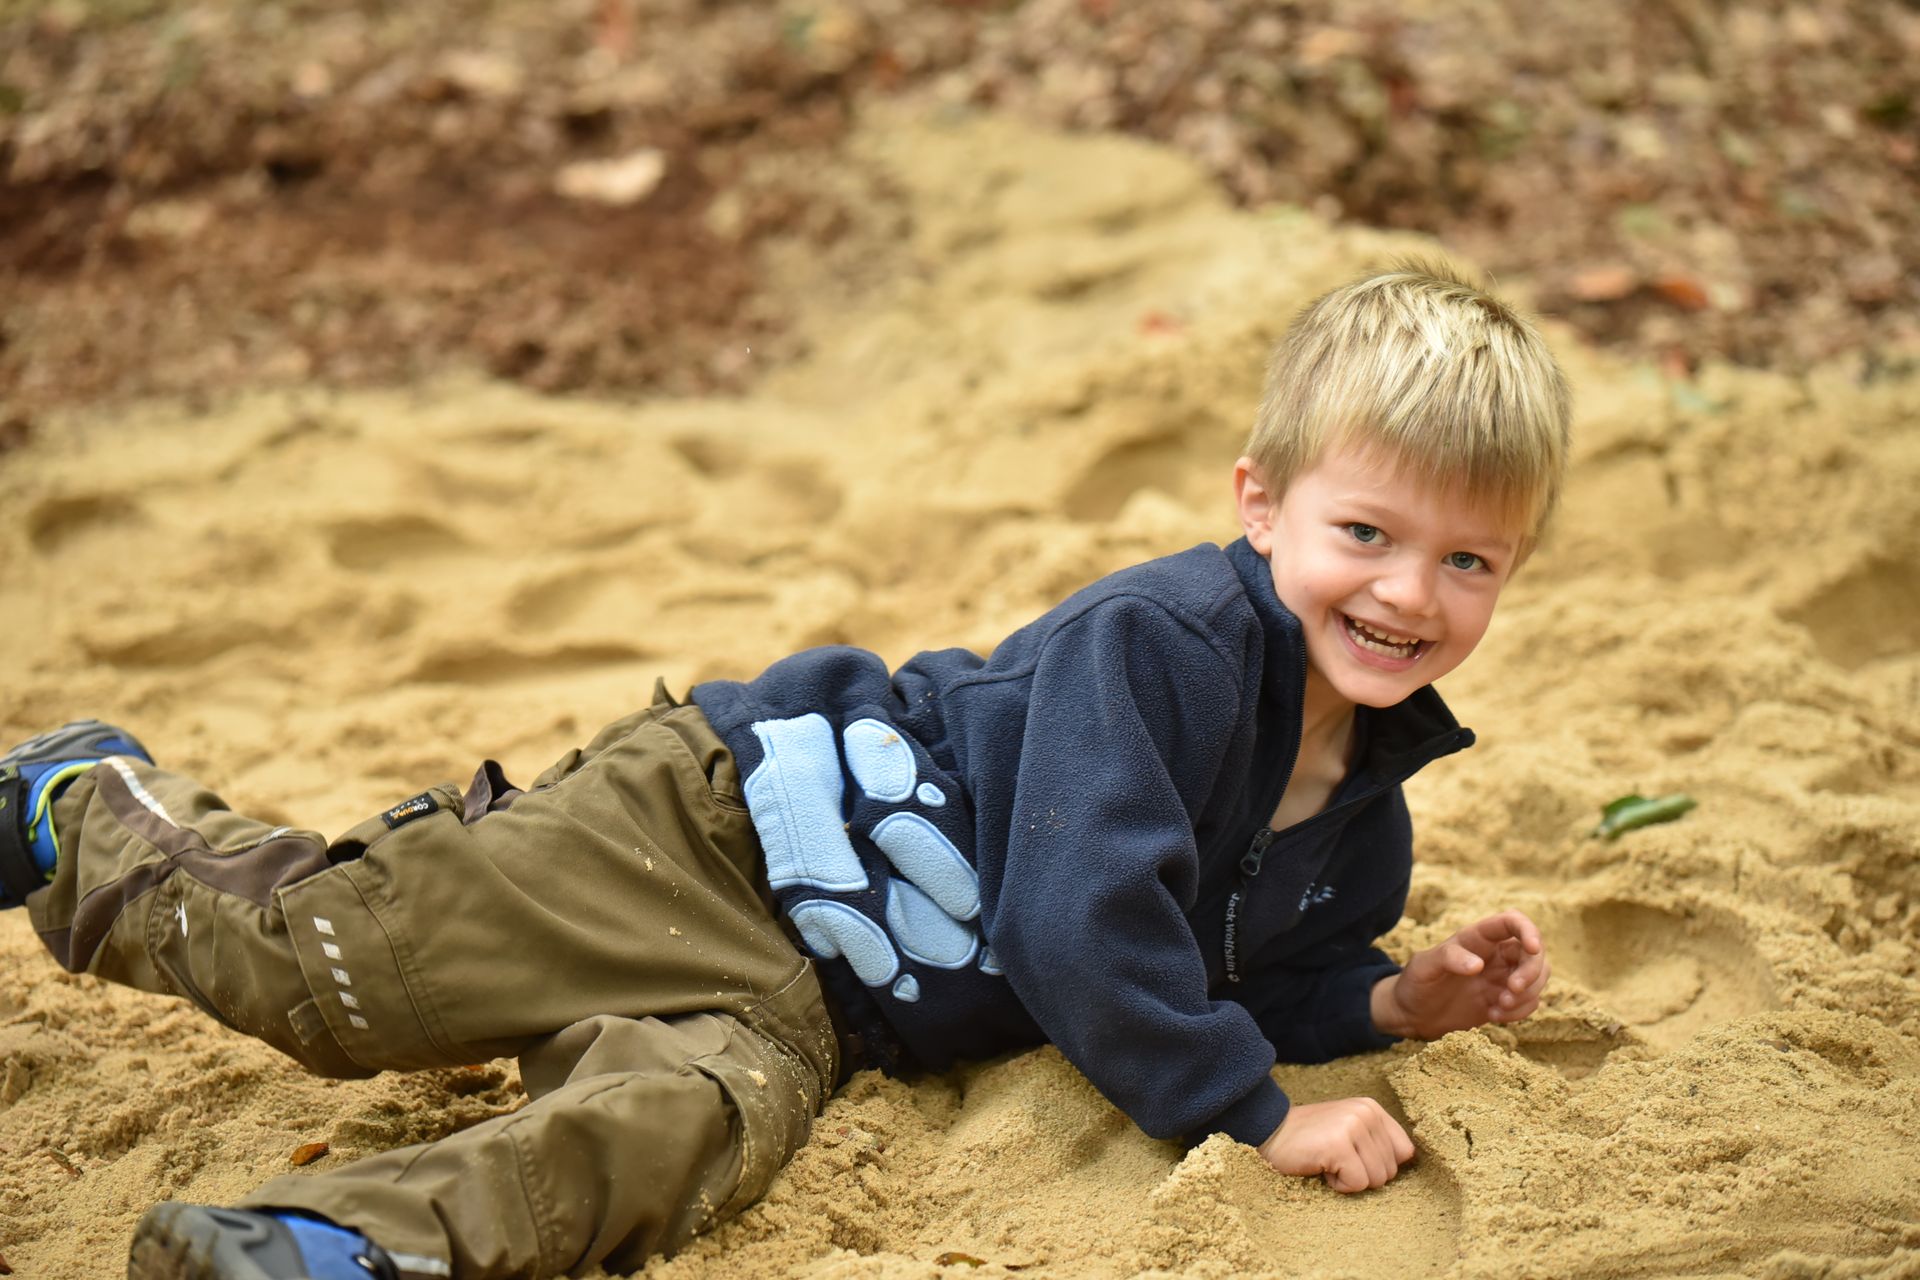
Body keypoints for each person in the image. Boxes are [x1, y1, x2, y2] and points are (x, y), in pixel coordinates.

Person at [1, 260, 1566, 1280]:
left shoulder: (1362, 815)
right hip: (723, 833)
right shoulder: (1164, 642)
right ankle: (83, 810)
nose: (1410, 593)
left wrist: (1380, 1002)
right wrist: (1253, 1113)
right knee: (341, 977)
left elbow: (1238, 966)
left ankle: (314, 1250)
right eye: (1366, 533)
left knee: (677, 1139)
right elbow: (1085, 923)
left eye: (1469, 559)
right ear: (1261, 504)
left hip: (817, 1005)